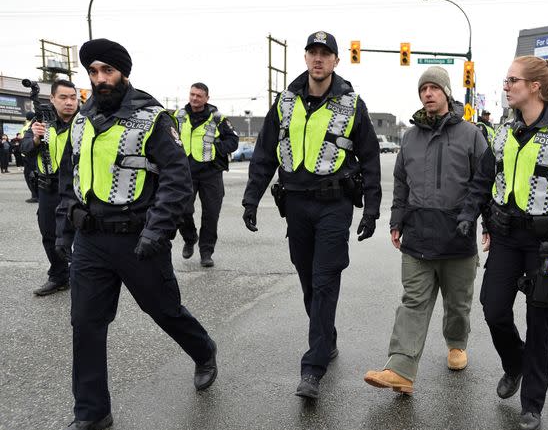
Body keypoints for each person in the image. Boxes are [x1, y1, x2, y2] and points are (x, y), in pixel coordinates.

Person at [49, 38, 218, 430]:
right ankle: (91, 411)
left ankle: (204, 350)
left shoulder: (152, 117)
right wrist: (64, 231)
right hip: (91, 240)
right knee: (86, 324)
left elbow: (177, 180)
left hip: (139, 238)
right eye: (93, 72)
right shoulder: (83, 119)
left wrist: (156, 232)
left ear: (123, 72)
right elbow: (71, 179)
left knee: (164, 310)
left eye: (107, 71)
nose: (100, 79)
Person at [457, 55, 548, 430]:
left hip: (547, 243)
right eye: (505, 80)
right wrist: (471, 213)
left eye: (512, 81)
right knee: (493, 307)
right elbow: (484, 179)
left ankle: (532, 405)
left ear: (535, 86)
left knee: (539, 320)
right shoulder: (503, 130)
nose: (506, 86)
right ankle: (514, 362)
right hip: (505, 235)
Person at [242, 31, 381, 399]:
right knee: (308, 279)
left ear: (336, 61)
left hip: (334, 206)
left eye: (326, 54)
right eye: (313, 53)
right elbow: (264, 153)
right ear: (305, 58)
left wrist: (372, 209)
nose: (318, 59)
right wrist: (250, 199)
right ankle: (327, 337)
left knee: (324, 280)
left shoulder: (353, 104)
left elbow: (369, 158)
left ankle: (313, 366)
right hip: (297, 206)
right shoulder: (285, 102)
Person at [363, 67, 487, 394]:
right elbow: (401, 183)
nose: (428, 94)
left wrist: (488, 225)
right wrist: (396, 221)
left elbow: (484, 184)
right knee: (413, 302)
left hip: (457, 236)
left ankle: (457, 342)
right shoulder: (410, 137)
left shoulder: (471, 135)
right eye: (423, 89)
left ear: (446, 92)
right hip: (417, 235)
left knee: (458, 304)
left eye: (434, 88)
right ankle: (400, 369)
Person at [21, 79, 77, 296]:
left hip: (77, 189)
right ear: (52, 99)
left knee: (82, 234)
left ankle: (83, 274)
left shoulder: (85, 122)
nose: (69, 102)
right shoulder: (40, 121)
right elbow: (25, 149)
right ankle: (59, 276)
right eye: (63, 97)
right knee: (50, 234)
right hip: (48, 188)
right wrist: (35, 138)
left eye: (73, 97)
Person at [174, 82, 239, 267]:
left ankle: (206, 252)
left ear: (206, 98)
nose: (195, 98)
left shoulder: (217, 118)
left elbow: (233, 140)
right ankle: (189, 237)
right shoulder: (178, 116)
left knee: (211, 215)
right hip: (185, 172)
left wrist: (215, 149)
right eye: (192, 94)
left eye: (199, 96)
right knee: (182, 210)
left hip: (211, 173)